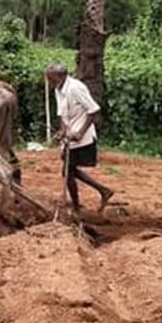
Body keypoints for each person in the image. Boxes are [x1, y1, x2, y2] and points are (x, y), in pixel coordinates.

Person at [44, 62, 114, 213]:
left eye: (50, 79)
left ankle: (77, 208)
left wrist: (81, 132)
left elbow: (93, 110)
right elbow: (62, 113)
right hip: (70, 138)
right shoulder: (58, 89)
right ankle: (103, 191)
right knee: (69, 170)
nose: (48, 82)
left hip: (82, 138)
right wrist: (62, 130)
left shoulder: (76, 88)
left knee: (67, 171)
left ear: (60, 77)